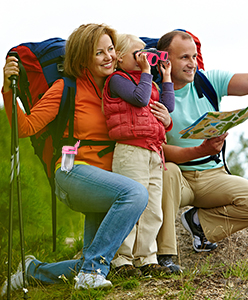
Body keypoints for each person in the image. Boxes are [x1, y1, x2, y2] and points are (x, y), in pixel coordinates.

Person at [1, 23, 149, 295]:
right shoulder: (66, 87)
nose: (108, 57)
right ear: (82, 59)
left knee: (90, 258)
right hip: (72, 171)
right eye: (98, 53)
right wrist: (8, 92)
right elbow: (25, 128)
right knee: (136, 194)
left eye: (111, 49)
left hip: (107, 180)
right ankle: (93, 273)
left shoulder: (121, 86)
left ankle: (32, 271)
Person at [155, 30, 248, 273]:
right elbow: (160, 151)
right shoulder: (154, 95)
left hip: (213, 176)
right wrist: (200, 150)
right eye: (184, 58)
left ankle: (198, 224)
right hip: (178, 177)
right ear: (164, 60)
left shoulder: (207, 82)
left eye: (193, 56)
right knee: (167, 170)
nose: (192, 64)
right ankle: (165, 255)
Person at [102, 34, 174, 277]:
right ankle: (122, 258)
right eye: (137, 54)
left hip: (154, 151)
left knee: (153, 208)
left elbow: (167, 107)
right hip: (130, 150)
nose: (144, 58)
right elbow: (139, 98)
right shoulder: (117, 80)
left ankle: (146, 256)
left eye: (145, 54)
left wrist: (165, 79)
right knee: (131, 206)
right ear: (119, 58)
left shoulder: (149, 83)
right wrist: (146, 72)